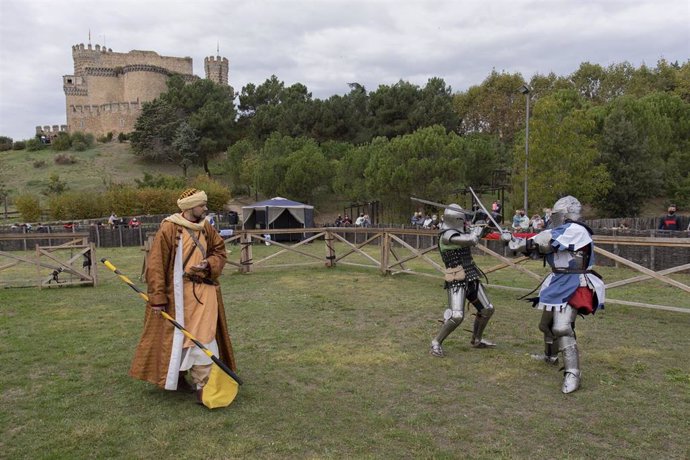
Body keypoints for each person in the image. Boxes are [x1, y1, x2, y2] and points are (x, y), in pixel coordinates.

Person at [129, 188, 236, 403]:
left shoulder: (206, 227)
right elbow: (156, 265)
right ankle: (177, 377)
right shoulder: (169, 228)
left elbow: (219, 251)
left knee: (204, 338)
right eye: (201, 205)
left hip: (205, 293)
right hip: (179, 296)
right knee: (180, 338)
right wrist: (158, 298)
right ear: (189, 208)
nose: (205, 208)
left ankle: (203, 384)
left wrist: (208, 263)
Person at [509, 196, 605, 394]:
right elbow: (538, 248)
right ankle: (550, 356)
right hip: (557, 281)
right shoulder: (560, 231)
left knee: (561, 327)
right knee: (545, 326)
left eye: (556, 215)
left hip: (573, 283)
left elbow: (545, 241)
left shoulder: (577, 231)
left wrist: (520, 243)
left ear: (564, 214)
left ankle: (573, 373)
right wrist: (514, 241)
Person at [430, 204, 500, 357]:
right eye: (462, 220)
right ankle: (436, 342)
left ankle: (476, 339)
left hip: (471, 274)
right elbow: (472, 240)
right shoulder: (447, 236)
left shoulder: (460, 232)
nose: (465, 222)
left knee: (487, 309)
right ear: (457, 220)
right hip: (456, 278)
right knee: (456, 316)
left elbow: (481, 234)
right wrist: (479, 224)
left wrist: (490, 221)